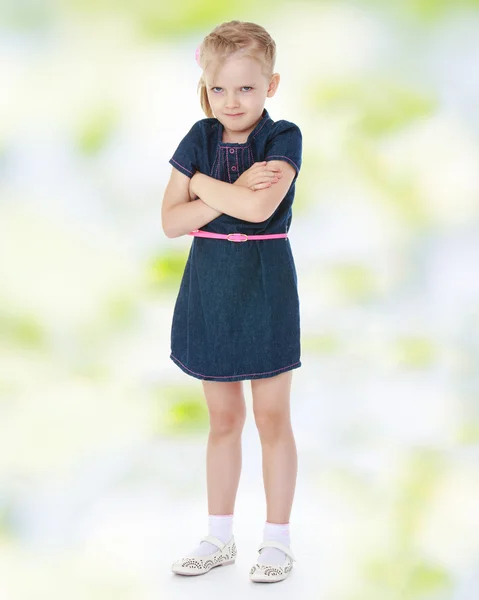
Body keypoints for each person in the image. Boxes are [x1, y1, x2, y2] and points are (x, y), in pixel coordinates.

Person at [161, 20, 302, 583]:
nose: (232, 100)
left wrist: (198, 185)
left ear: (270, 85)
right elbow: (171, 223)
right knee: (223, 418)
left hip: (265, 283)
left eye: (246, 87)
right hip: (210, 283)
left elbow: (260, 212)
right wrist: (227, 190)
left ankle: (277, 542)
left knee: (271, 415)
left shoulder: (282, 137)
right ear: (205, 87)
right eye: (219, 88)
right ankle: (219, 536)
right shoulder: (197, 138)